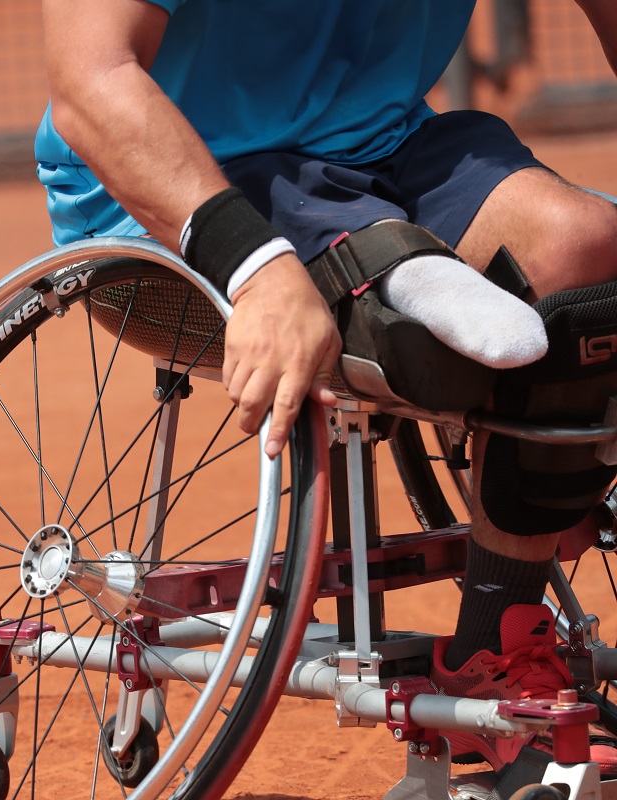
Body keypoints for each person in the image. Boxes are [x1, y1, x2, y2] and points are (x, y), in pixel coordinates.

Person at [35, 0, 617, 771]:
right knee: (424, 341)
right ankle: (385, 270)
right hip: (174, 185)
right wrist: (255, 266)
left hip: (385, 145)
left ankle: (495, 652)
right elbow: (89, 79)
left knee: (585, 259)